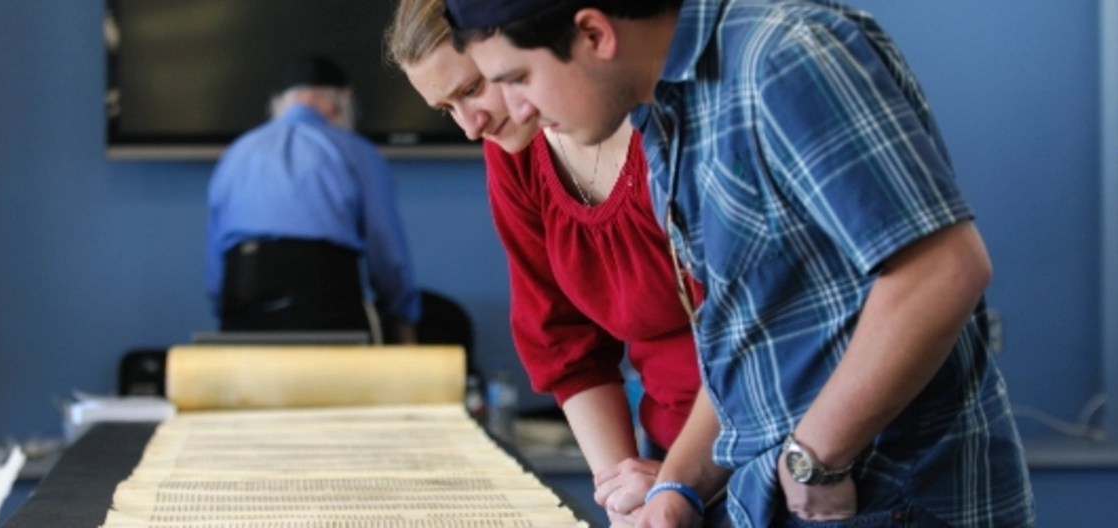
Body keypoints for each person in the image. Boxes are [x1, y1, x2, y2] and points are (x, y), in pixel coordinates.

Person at [444, 0, 1036, 527]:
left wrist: (816, 458)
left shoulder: (781, 55)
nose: (513, 108)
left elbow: (941, 271)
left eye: (518, 78)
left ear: (595, 34)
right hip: (776, 491)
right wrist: (679, 488)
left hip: (890, 491)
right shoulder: (668, 109)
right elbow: (747, 334)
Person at [386, 1, 730, 524]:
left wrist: (681, 481)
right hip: (661, 459)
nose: (471, 128)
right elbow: (562, 342)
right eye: (445, 109)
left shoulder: (670, 126)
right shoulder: (514, 153)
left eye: (475, 88)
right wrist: (624, 497)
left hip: (767, 437)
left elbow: (755, 332)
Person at [206, 54, 420, 342]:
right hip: (325, 301)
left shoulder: (236, 153)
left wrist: (227, 314)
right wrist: (403, 315)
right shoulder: (357, 152)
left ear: (281, 103)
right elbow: (386, 249)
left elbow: (216, 259)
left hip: (243, 300)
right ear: (342, 101)